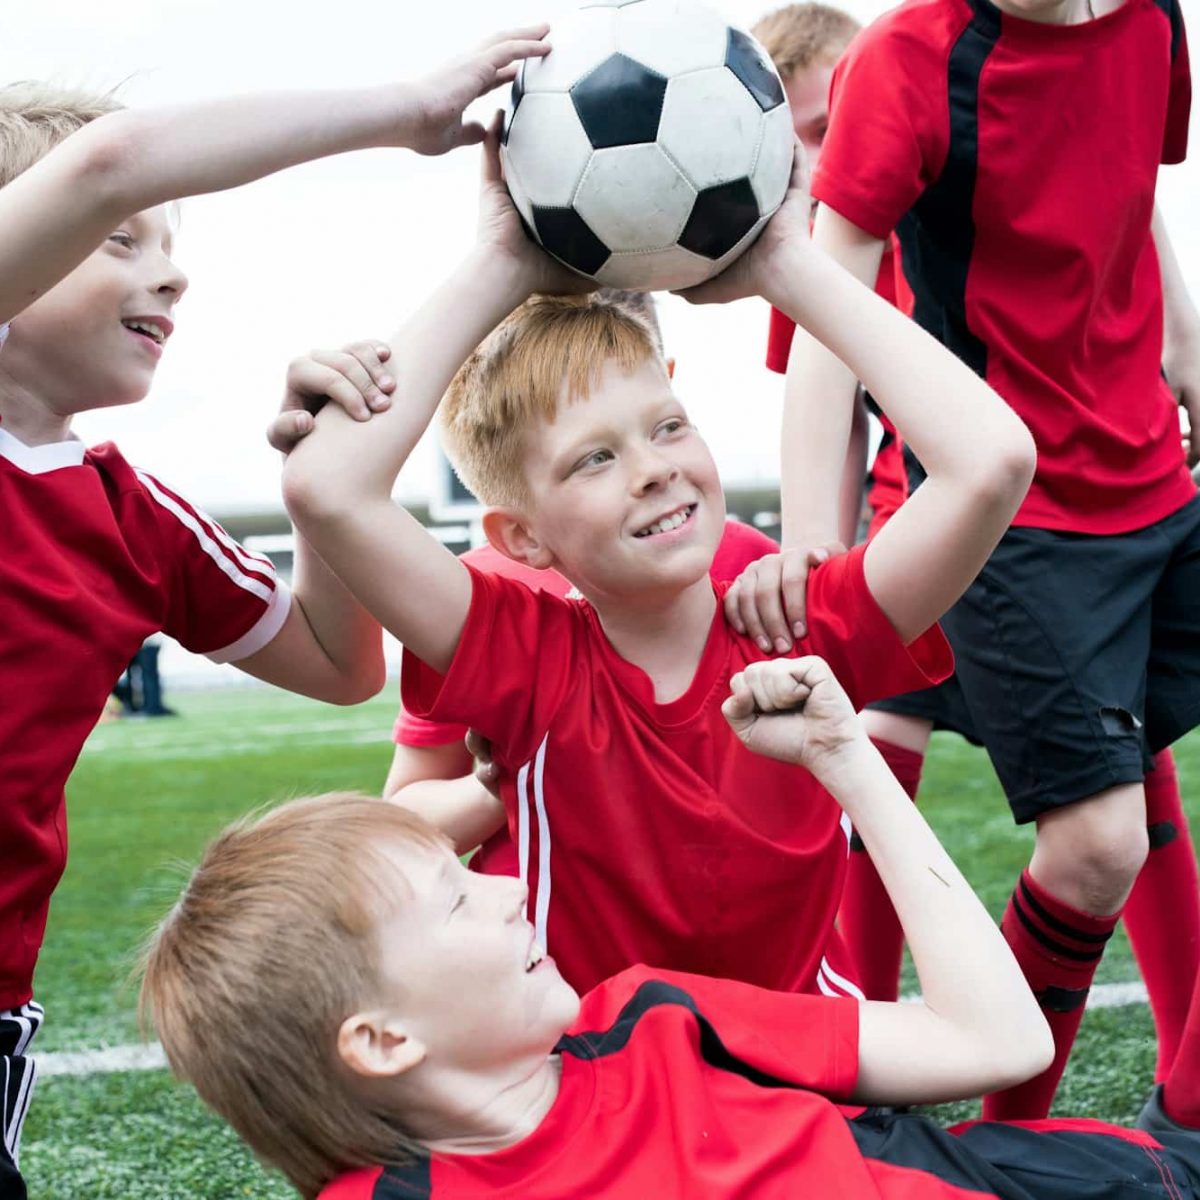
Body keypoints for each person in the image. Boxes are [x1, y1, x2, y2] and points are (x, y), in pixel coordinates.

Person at [279, 120, 1033, 1007]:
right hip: (597, 1064)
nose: (653, 469)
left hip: (801, 1060)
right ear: (523, 539)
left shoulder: (801, 627)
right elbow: (330, 490)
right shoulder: (527, 657)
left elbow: (993, 462)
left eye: (669, 426)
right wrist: (503, 263)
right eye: (594, 458)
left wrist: (789, 267)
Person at [0, 31, 549, 1198]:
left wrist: (317, 480)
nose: (172, 276)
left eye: (170, 246)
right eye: (121, 239)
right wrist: (407, 105)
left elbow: (339, 666)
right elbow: (113, 159)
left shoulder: (130, 515)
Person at [144, 654, 1200, 1200]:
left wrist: (849, 763)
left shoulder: (648, 1017)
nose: (508, 892)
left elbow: (996, 1042)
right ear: (381, 1039)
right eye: (457, 897)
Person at [777, 0, 1199, 1120]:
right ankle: (976, 1130)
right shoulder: (907, 67)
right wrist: (814, 547)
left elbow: (1128, 196)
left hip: (1154, 481)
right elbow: (825, 333)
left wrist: (1188, 349)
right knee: (1085, 836)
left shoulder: (1156, 23)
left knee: (1128, 792)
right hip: (1000, 517)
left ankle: (1191, 1099)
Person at [382, 287, 781, 869]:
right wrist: (500, 781)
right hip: (539, 922)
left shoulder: (749, 562)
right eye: (593, 456)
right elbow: (405, 817)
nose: (650, 471)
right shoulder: (473, 601)